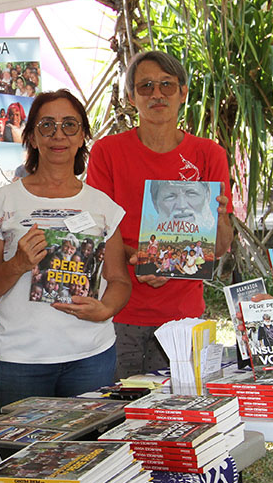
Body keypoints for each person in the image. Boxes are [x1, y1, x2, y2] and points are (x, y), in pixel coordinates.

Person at [0, 89, 131, 411]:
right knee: (22, 459)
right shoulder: (3, 202)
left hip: (91, 357)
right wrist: (17, 263)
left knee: (92, 455)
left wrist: (105, 310)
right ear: (31, 136)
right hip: (21, 360)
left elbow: (119, 280)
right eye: (46, 125)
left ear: (82, 136)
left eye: (69, 125)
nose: (58, 135)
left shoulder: (103, 207)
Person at [85, 50, 232, 378]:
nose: (157, 94)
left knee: (185, 415)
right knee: (121, 416)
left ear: (183, 93)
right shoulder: (107, 152)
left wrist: (220, 218)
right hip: (122, 312)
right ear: (130, 96)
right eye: (146, 86)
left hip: (185, 319)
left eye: (167, 85)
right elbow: (98, 232)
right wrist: (141, 258)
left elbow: (219, 247)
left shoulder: (209, 154)